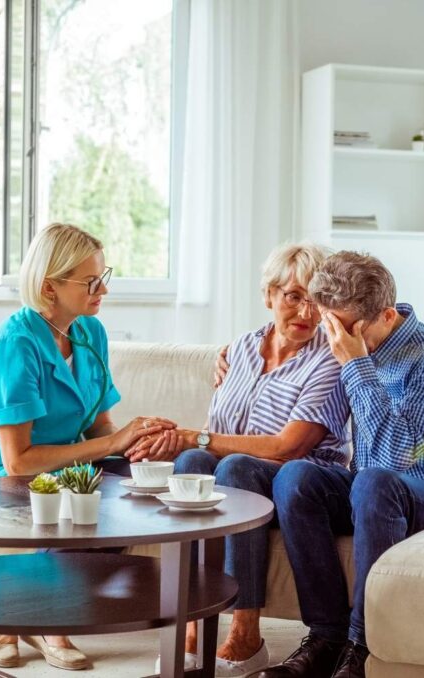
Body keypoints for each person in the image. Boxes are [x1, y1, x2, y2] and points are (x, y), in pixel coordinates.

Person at [0, 222, 174, 671]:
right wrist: (112, 442)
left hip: (61, 471)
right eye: (91, 282)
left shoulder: (90, 333)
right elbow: (18, 460)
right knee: (88, 500)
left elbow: (98, 425)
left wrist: (139, 447)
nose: (104, 290)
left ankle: (19, 614)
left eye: (104, 276)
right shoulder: (14, 344)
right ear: (49, 287)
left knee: (139, 491)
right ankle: (41, 618)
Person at [128, 243, 351, 677]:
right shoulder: (242, 349)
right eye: (293, 296)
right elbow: (213, 439)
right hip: (240, 476)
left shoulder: (329, 358)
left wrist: (198, 436)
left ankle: (247, 632)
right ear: (269, 295)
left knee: (232, 466)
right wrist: (188, 442)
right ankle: (192, 624)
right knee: (192, 462)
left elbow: (289, 447)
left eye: (316, 300)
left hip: (297, 484)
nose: (305, 311)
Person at [255, 251, 424, 678]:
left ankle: (362, 648)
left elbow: (399, 460)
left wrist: (357, 365)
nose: (334, 337)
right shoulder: (347, 339)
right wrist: (232, 358)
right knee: (296, 477)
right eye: (330, 324)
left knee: (375, 482)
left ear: (386, 315)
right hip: (371, 489)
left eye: (345, 328)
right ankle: (327, 637)